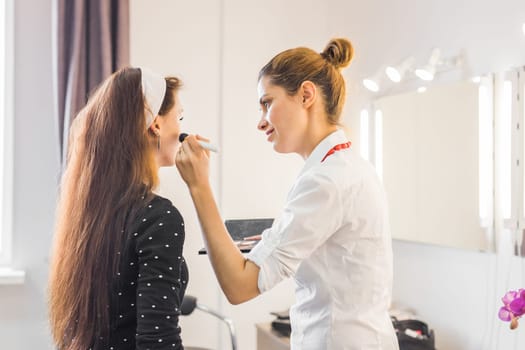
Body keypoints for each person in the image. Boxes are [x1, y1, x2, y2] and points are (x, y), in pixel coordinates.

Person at [176, 38, 399, 349]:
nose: (261, 122)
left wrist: (199, 186)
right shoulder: (345, 166)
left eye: (267, 103)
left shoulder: (327, 180)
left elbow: (239, 287)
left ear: (306, 95)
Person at [48, 67, 189, 349]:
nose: (182, 130)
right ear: (157, 125)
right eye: (179, 118)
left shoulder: (86, 213)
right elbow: (158, 342)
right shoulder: (158, 217)